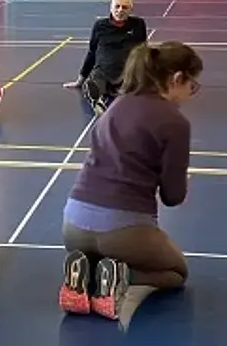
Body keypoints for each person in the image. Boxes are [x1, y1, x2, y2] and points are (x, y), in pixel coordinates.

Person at [59, 41, 202, 320]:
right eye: (192, 85)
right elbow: (173, 197)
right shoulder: (175, 122)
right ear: (176, 79)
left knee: (99, 253)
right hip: (124, 232)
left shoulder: (116, 105)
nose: (191, 93)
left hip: (73, 225)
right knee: (176, 273)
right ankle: (122, 275)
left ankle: (84, 274)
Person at [63, 0, 148, 115]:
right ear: (111, 7)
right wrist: (80, 80)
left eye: (125, 7)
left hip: (128, 71)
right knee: (93, 84)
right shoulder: (100, 25)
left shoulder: (138, 24)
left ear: (131, 9)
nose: (120, 10)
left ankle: (125, 100)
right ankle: (98, 102)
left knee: (135, 88)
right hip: (103, 71)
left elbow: (143, 51)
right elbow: (92, 53)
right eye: (117, 6)